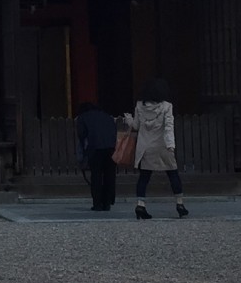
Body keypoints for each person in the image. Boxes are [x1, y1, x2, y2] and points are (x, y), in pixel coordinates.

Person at [123, 77, 187, 219]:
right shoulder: (166, 106)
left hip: (145, 146)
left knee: (144, 177)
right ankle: (179, 203)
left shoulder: (140, 105)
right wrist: (171, 145)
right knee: (172, 174)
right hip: (162, 145)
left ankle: (140, 204)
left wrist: (129, 121)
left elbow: (137, 126)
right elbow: (169, 127)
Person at [74, 100, 118, 211]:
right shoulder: (107, 116)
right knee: (109, 176)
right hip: (111, 148)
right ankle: (107, 203)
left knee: (96, 176)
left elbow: (82, 135)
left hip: (95, 148)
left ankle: (97, 203)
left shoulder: (83, 117)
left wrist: (83, 155)